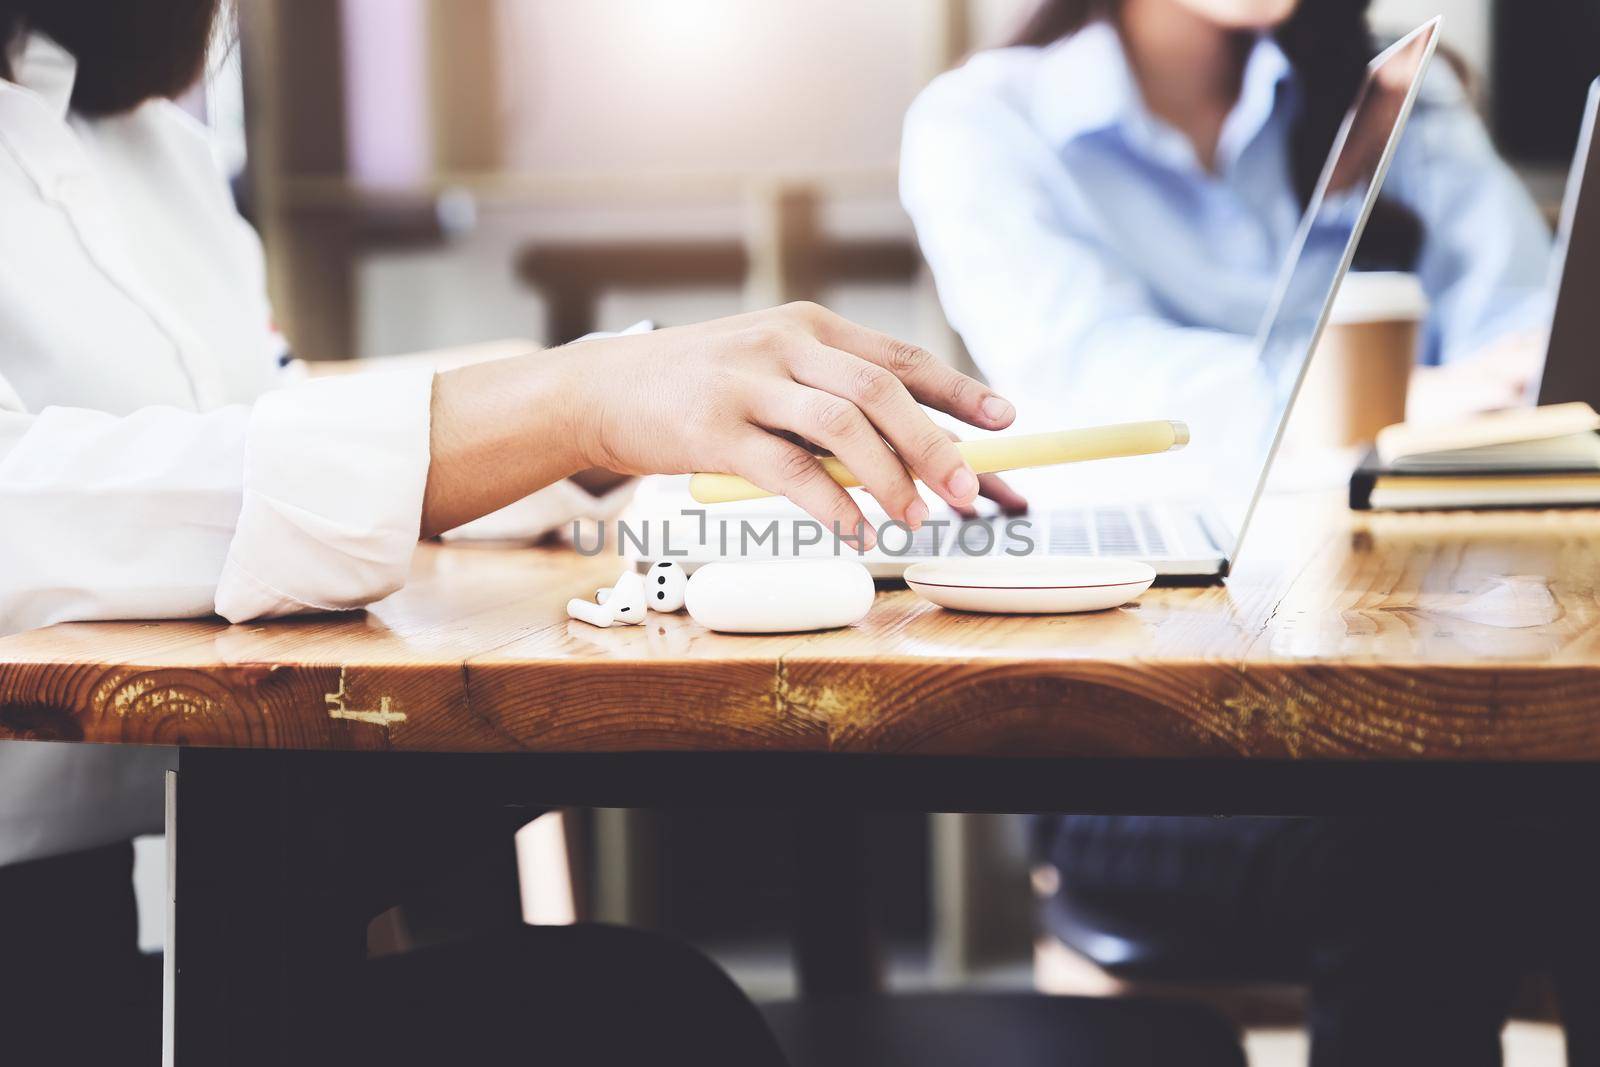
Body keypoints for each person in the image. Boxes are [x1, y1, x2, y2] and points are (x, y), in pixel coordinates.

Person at [0, 0, 1023, 1060]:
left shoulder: (140, 136)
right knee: (652, 1021)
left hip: (177, 895)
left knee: (641, 1002)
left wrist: (594, 436)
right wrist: (566, 401)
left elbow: (256, 416)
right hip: (56, 944)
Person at [900, 2, 1557, 1065]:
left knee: (1509, 818)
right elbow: (1088, 390)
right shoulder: (984, 123)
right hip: (1149, 738)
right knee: (1426, 846)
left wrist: (1460, 403)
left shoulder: (1396, 93)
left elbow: (1528, 346)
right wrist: (1397, 405)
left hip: (1427, 689)